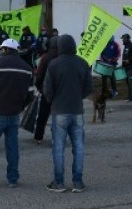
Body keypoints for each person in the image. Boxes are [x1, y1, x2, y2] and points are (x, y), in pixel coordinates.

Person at [0, 39, 34, 188]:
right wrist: (20, 106)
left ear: (5, 50)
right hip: (14, 113)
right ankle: (12, 179)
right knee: (12, 147)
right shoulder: (27, 68)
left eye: (2, 49)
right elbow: (30, 94)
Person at [42, 34, 93, 193]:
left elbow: (47, 90)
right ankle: (78, 182)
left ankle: (59, 183)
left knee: (58, 148)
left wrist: (53, 101)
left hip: (59, 111)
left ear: (60, 46)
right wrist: (77, 97)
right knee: (78, 147)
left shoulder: (53, 64)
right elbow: (88, 89)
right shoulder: (83, 63)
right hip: (77, 111)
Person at [34, 35, 59, 144]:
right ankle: (56, 137)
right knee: (58, 115)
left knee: (43, 115)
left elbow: (39, 75)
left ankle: (38, 136)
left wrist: (39, 87)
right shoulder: (64, 57)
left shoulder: (45, 58)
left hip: (47, 90)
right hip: (61, 91)